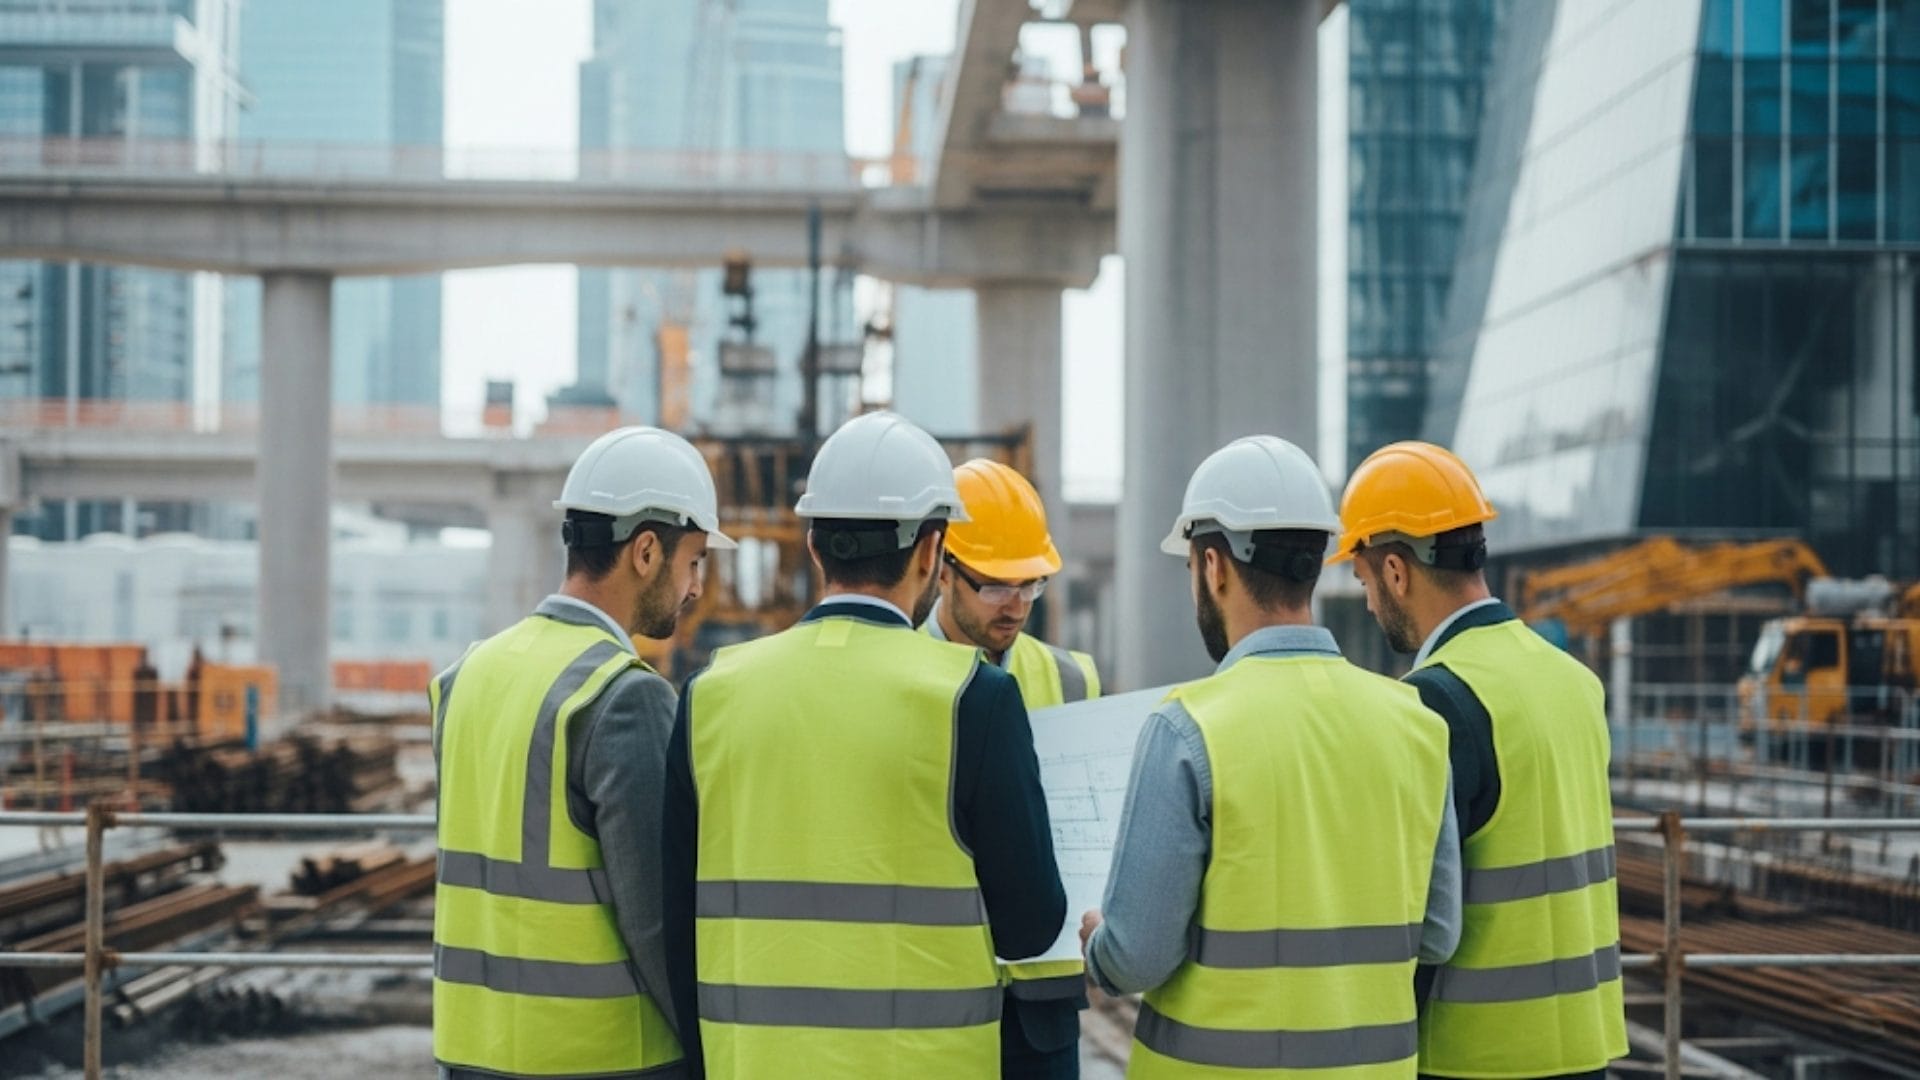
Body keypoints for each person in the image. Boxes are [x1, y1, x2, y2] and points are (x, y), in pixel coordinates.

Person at [661, 411, 1066, 1079]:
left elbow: (678, 928)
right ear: (932, 551)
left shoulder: (711, 695)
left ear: (814, 547)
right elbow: (1032, 926)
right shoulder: (974, 698)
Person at [1081, 435, 1461, 1078]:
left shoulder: (1187, 730)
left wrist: (1099, 943)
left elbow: (1135, 958)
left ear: (1213, 566)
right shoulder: (1417, 725)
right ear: (1314, 564)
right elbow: (1438, 934)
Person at [431, 425, 731, 1079]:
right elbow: (657, 921)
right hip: (602, 1057)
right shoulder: (623, 696)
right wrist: (710, 1054)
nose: (694, 588)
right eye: (694, 561)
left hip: (471, 1051)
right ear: (646, 551)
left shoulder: (465, 677)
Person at [1333, 441, 1627, 1080]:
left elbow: (1411, 919)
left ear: (1395, 572)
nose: (1369, 603)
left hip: (1476, 1056)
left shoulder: (1433, 702)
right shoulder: (1576, 683)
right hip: (1585, 1046)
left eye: (1363, 581)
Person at [926, 457, 1100, 1079]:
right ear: (942, 567)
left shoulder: (1072, 679)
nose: (1017, 605)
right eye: (995, 586)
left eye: (1031, 584)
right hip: (936, 998)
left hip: (1042, 1007)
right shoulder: (900, 677)